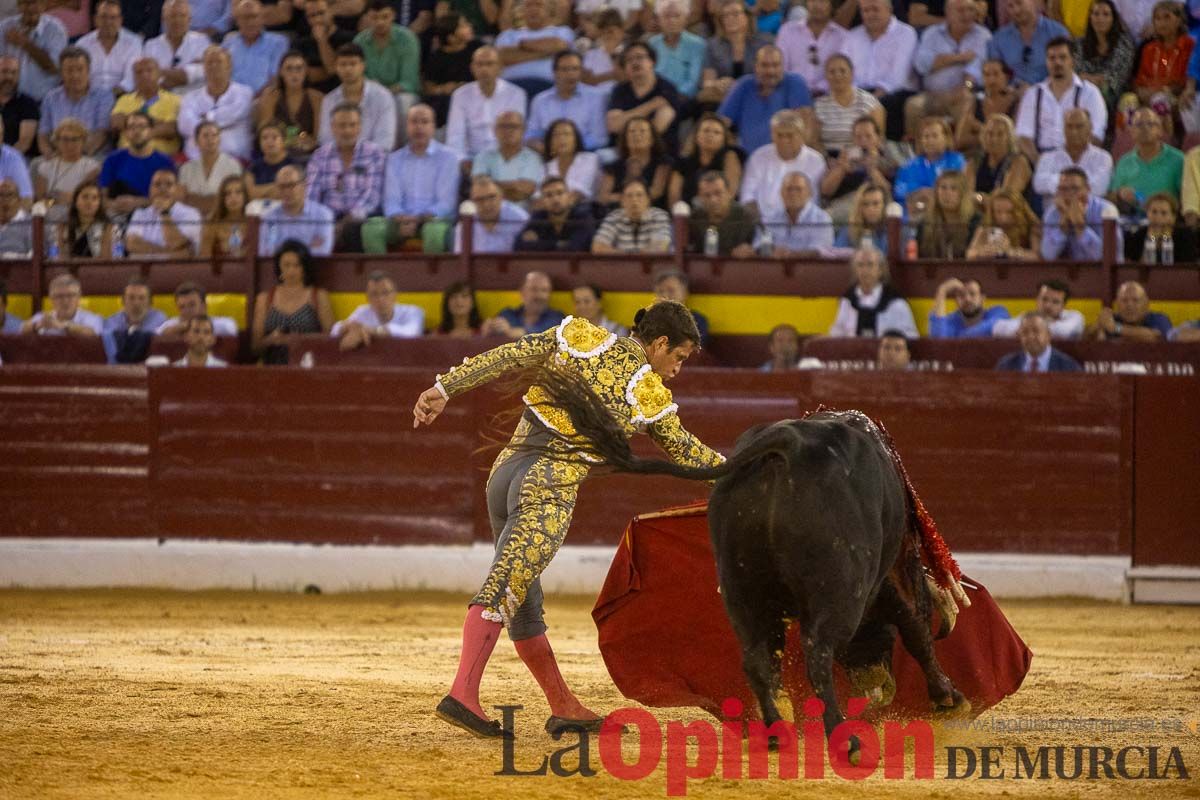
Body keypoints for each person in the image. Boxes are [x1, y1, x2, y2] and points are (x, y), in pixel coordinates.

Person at [415, 300, 723, 739]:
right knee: (504, 588)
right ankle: (462, 693)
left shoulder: (581, 336)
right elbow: (689, 453)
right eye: (677, 357)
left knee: (522, 600)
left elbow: (506, 356)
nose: (676, 369)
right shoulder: (645, 389)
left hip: (504, 476)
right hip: (546, 488)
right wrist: (742, 474)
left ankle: (563, 706)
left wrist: (444, 388)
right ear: (659, 344)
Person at [366, 104, 460, 254]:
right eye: (414, 122)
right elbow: (391, 200)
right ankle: (380, 276)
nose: (419, 127)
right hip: (400, 220)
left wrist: (417, 220)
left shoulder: (448, 157)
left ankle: (432, 277)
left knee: (434, 232)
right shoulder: (394, 159)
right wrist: (401, 218)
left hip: (434, 220)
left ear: (433, 127)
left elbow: (446, 204)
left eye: (424, 122)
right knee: (372, 228)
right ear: (406, 126)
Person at [306, 102, 386, 252]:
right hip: (328, 218)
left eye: (352, 125)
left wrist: (346, 222)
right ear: (332, 127)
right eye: (342, 125)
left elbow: (372, 197)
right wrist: (324, 222)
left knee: (353, 230)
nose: (347, 131)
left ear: (360, 127)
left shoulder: (374, 153)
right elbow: (311, 197)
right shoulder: (319, 156)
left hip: (363, 218)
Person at [907, 0, 992, 139]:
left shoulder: (983, 35)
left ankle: (957, 152)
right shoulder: (932, 33)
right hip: (931, 94)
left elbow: (977, 68)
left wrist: (965, 86)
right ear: (948, 13)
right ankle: (918, 153)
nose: (966, 15)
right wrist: (959, 58)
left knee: (966, 103)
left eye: (970, 10)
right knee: (913, 106)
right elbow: (922, 64)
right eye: (961, 10)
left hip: (963, 94)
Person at [1015, 37, 1108, 164]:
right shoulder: (1033, 94)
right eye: (1052, 58)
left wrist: (1072, 161)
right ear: (1046, 62)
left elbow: (1096, 136)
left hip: (1078, 159)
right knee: (1019, 164)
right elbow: (1023, 137)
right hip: (1039, 158)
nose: (1057, 62)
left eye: (1062, 57)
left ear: (1072, 61)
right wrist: (1041, 164)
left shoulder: (1090, 93)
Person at [716, 45, 814, 155]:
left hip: (785, 157)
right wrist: (731, 149)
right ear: (756, 66)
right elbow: (721, 123)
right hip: (747, 159)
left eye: (775, 65)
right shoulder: (744, 85)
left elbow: (806, 124)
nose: (770, 71)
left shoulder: (795, 82)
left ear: (783, 66)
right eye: (765, 65)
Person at [844, 0, 919, 141]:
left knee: (880, 107)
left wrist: (870, 100)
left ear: (889, 9)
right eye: (866, 11)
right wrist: (853, 97)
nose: (870, 14)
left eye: (875, 9)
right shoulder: (852, 36)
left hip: (895, 94)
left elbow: (897, 77)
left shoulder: (905, 33)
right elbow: (845, 71)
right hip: (859, 93)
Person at [252, 239, 334, 363]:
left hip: (308, 365)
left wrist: (301, 340)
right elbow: (255, 347)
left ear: (305, 268)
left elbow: (331, 338)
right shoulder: (265, 298)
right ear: (278, 266)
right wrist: (271, 340)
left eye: (297, 265)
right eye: (286, 265)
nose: (291, 271)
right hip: (272, 366)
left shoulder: (318, 296)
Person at [445, 46, 526, 163]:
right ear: (472, 68)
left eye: (489, 64)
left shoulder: (516, 94)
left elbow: (516, 134)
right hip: (471, 158)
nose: (484, 69)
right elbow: (455, 137)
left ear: (500, 67)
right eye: (479, 64)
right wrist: (462, 161)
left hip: (505, 158)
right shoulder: (460, 95)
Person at [739, 110, 825, 219]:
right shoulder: (759, 157)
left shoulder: (816, 161)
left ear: (801, 135)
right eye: (779, 135)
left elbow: (815, 199)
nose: (784, 140)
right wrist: (760, 223)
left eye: (790, 135)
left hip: (803, 223)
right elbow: (747, 196)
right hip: (762, 222)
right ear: (772, 135)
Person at [177, 47, 254, 162]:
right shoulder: (190, 97)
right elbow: (184, 125)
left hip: (234, 159)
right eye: (209, 63)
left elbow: (233, 114)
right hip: (195, 159)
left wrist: (206, 117)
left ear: (229, 66)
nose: (214, 66)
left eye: (219, 62)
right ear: (203, 67)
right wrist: (219, 126)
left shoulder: (245, 93)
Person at [316, 44, 397, 152]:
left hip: (374, 159)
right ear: (336, 67)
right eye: (343, 64)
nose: (348, 69)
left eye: (353, 64)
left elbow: (385, 140)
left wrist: (361, 157)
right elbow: (325, 138)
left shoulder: (382, 96)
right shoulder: (329, 100)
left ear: (363, 65)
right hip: (338, 160)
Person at [818, 116, 898, 224]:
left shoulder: (888, 162)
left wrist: (872, 169)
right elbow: (825, 191)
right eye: (858, 137)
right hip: (844, 204)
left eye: (868, 136)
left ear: (878, 138)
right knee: (823, 218)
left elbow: (888, 193)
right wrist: (841, 169)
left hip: (875, 204)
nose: (863, 141)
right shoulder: (844, 159)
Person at [355, 0, 421, 129]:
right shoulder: (359, 41)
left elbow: (409, 82)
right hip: (369, 92)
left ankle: (401, 148)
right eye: (374, 17)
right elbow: (359, 77)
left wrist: (383, 93)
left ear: (393, 16)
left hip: (399, 93)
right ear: (367, 18)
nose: (380, 22)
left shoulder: (407, 39)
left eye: (385, 17)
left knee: (403, 102)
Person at [38, 47, 114, 157]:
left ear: (88, 71)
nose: (75, 75)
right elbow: (43, 134)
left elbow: (102, 133)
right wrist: (49, 154)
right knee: (36, 165)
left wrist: (76, 157)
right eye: (69, 70)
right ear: (61, 73)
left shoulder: (103, 96)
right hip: (58, 156)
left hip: (92, 156)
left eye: (80, 69)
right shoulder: (51, 98)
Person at [828, 245, 918, 338]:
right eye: (860, 265)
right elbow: (836, 336)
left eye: (870, 265)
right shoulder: (847, 302)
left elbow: (911, 337)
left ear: (880, 270)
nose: (865, 270)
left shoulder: (896, 303)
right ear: (854, 270)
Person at [1107, 106, 1184, 215]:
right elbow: (1111, 197)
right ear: (1132, 132)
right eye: (1139, 125)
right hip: (1133, 224)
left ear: (1160, 130)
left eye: (1151, 124)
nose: (1145, 128)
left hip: (1166, 225)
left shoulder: (1178, 159)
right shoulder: (1124, 161)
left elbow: (1186, 198)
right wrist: (1120, 194)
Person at [526, 51, 607, 154]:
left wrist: (568, 147)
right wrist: (540, 145)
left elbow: (599, 138)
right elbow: (531, 135)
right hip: (548, 154)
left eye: (575, 69)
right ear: (554, 73)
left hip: (583, 153)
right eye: (565, 69)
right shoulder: (540, 100)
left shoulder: (596, 97)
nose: (571, 74)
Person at [1031, 108, 1113, 209]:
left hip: (1090, 220)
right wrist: (1080, 185)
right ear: (1064, 129)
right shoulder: (1047, 157)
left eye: (1079, 126)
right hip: (1054, 219)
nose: (1074, 132)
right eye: (1069, 126)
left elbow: (1100, 188)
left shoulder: (1103, 158)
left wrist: (1060, 185)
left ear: (1090, 129)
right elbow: (1038, 184)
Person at [99, 113, 176, 217]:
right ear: (125, 133)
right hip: (117, 216)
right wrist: (115, 205)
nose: (137, 131)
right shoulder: (112, 159)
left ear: (150, 131)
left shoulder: (165, 162)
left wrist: (138, 203)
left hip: (154, 216)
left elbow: (171, 199)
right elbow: (102, 196)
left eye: (142, 127)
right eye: (132, 127)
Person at [606, 42, 682, 148]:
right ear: (625, 68)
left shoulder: (667, 89)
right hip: (622, 150)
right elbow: (614, 126)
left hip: (660, 150)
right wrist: (652, 105)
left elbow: (656, 130)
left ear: (652, 62)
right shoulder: (620, 90)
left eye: (640, 57)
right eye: (629, 60)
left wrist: (625, 118)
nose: (635, 63)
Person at [128, 0, 211, 97]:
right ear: (163, 19)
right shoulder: (151, 45)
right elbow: (146, 80)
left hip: (193, 102)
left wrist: (159, 72)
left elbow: (201, 73)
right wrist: (184, 74)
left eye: (182, 16)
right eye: (173, 16)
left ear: (189, 19)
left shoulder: (202, 41)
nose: (177, 20)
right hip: (159, 103)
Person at [698, 0, 773, 106]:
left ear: (747, 16)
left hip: (756, 96)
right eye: (725, 16)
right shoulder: (713, 46)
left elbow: (770, 76)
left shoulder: (764, 42)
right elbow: (707, 82)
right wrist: (718, 84)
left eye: (735, 14)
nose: (730, 19)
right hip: (723, 99)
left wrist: (739, 85)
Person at [252, 51, 323, 160]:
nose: (294, 74)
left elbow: (318, 136)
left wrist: (307, 142)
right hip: (277, 151)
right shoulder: (271, 96)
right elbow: (264, 130)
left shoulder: (316, 98)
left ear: (306, 72)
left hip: (308, 153)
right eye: (289, 69)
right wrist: (288, 142)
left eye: (299, 68)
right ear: (281, 72)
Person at [1041, 166, 1123, 260]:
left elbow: (1109, 257)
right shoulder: (1053, 213)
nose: (1069, 194)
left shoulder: (1107, 210)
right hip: (1069, 273)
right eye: (1063, 189)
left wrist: (1080, 227)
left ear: (1088, 189)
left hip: (1102, 273)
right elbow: (1048, 255)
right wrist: (1062, 228)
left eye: (1074, 188)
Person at [332, 269, 424, 352]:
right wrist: (347, 327)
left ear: (395, 295)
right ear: (367, 298)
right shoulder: (362, 311)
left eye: (386, 293)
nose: (380, 299)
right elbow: (334, 330)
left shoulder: (413, 311)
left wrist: (373, 331)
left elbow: (412, 332)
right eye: (374, 294)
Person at [811, 55, 885, 156]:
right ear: (826, 76)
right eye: (832, 72)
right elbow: (815, 141)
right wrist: (828, 161)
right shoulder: (818, 106)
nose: (837, 75)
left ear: (852, 73)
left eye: (842, 71)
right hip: (829, 158)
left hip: (862, 157)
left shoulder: (869, 102)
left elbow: (878, 139)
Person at [667, 112, 743, 210]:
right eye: (706, 131)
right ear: (697, 135)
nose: (710, 135)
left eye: (717, 132)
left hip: (721, 213)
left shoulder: (730, 156)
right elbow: (673, 195)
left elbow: (731, 191)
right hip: (688, 215)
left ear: (723, 139)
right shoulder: (683, 162)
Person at [987, 0, 1071, 88]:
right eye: (1010, 6)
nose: (1016, 10)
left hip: (1051, 93)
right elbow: (995, 75)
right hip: (1012, 95)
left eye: (1019, 3)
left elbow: (1065, 71)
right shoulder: (998, 39)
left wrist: (1036, 91)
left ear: (1034, 2)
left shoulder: (1057, 32)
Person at [258, 164, 335, 256]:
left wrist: (283, 253)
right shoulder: (270, 218)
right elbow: (267, 252)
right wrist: (307, 248)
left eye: (291, 185)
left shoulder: (323, 215)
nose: (286, 191)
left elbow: (321, 252)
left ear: (304, 185)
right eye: (282, 186)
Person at [0, 0, 68, 103]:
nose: (31, 8)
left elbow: (54, 68)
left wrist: (25, 44)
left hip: (42, 101)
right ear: (19, 5)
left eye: (35, 2)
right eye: (26, 3)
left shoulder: (56, 30)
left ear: (44, 5)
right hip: (8, 101)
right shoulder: (5, 27)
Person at [111, 59, 182, 156]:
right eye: (139, 72)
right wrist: (156, 123)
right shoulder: (124, 99)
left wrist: (132, 125)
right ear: (134, 77)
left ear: (159, 75)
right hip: (127, 156)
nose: (144, 75)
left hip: (161, 156)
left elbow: (170, 129)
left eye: (149, 71)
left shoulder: (174, 100)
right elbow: (117, 123)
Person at [894, 116, 966, 213]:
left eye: (935, 136)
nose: (930, 141)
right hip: (915, 211)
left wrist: (934, 193)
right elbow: (898, 190)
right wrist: (919, 192)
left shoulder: (957, 160)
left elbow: (961, 187)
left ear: (946, 138)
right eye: (926, 137)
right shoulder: (909, 165)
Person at [125, 168, 203, 257]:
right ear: (150, 189)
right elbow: (132, 244)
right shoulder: (140, 213)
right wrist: (169, 253)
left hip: (177, 269)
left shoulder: (191, 213)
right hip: (145, 268)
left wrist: (164, 213)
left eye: (169, 184)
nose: (163, 188)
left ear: (177, 189)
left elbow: (176, 243)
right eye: (157, 184)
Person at [776, 0, 847, 96]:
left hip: (829, 97)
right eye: (812, 0)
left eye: (822, 1)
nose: (816, 5)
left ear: (832, 5)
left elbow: (842, 72)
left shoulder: (842, 37)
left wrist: (819, 90)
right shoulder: (787, 31)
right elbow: (780, 68)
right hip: (792, 96)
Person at [597, 117, 672, 208]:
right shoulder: (613, 166)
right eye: (632, 131)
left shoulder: (663, 163)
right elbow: (603, 197)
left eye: (642, 131)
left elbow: (656, 192)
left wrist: (623, 197)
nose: (636, 135)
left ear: (652, 139)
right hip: (617, 214)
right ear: (625, 139)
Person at [1074, 0, 1136, 108]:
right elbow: (1076, 72)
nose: (1100, 19)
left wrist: (1090, 79)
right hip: (1084, 90)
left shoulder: (1124, 42)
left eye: (1106, 14)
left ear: (1113, 18)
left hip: (1114, 93)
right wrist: (1093, 80)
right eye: (1096, 14)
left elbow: (1118, 75)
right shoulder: (1079, 44)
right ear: (1090, 17)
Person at [472, 111, 543, 205]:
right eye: (503, 126)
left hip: (521, 217)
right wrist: (514, 186)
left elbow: (522, 192)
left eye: (513, 126)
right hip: (488, 215)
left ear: (524, 130)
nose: (508, 131)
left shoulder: (533, 158)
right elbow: (481, 190)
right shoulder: (482, 157)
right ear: (495, 130)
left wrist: (492, 186)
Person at [757, 170, 834, 256]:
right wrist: (771, 252)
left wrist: (792, 254)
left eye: (798, 189)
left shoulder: (821, 219)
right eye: (789, 189)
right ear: (781, 193)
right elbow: (762, 247)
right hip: (774, 267)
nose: (793, 193)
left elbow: (820, 251)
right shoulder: (769, 219)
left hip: (808, 268)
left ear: (810, 193)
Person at [221, 0, 289, 94]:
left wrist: (254, 99)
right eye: (245, 17)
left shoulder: (278, 42)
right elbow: (220, 73)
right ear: (237, 21)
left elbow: (276, 79)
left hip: (262, 100)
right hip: (230, 99)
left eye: (254, 16)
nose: (250, 22)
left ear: (262, 18)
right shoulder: (229, 40)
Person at [1131, 1, 1193, 105]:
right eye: (1157, 18)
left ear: (1179, 20)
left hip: (1177, 98)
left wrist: (1161, 90)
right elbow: (1140, 80)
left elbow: (1186, 81)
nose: (1162, 23)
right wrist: (1142, 92)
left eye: (1167, 17)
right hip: (1149, 95)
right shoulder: (1149, 49)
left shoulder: (1189, 46)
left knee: (1160, 100)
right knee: (1128, 100)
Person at [77, 0, 144, 95]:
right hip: (89, 97)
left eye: (113, 18)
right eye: (103, 17)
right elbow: (80, 77)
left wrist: (108, 96)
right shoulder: (82, 44)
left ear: (120, 20)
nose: (108, 22)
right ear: (95, 19)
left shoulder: (133, 43)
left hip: (122, 97)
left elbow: (130, 80)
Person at [953, 58, 1020, 154]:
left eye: (996, 74)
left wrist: (979, 128)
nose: (991, 79)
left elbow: (1013, 137)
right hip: (978, 155)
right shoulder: (974, 102)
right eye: (986, 75)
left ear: (1006, 76)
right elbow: (960, 140)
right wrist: (996, 136)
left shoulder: (1016, 102)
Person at [966, 114, 1035, 206]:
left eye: (1000, 134)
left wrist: (979, 198)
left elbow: (1006, 198)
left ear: (1009, 137)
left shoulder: (1019, 162)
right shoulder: (975, 162)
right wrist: (982, 199)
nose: (994, 139)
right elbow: (966, 195)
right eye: (990, 133)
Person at [32, 120, 99, 213]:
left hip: (77, 213)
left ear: (83, 141)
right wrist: (64, 197)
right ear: (57, 141)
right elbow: (40, 198)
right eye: (64, 139)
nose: (70, 144)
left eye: (74, 139)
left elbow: (84, 197)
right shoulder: (45, 167)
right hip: (48, 214)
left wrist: (57, 197)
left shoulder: (92, 167)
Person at [515, 176, 595, 252]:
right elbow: (519, 246)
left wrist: (540, 244)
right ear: (542, 201)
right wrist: (558, 244)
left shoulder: (583, 217)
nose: (555, 199)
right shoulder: (538, 217)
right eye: (549, 195)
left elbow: (575, 248)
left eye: (560, 193)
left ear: (569, 197)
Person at [179, 122, 244, 216]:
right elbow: (183, 200)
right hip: (193, 220)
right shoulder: (186, 168)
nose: (210, 139)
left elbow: (233, 199)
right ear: (196, 141)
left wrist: (194, 199)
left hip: (223, 219)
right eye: (205, 136)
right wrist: (215, 199)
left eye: (214, 135)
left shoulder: (233, 165)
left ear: (219, 140)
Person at [592, 178, 673, 254]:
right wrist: (629, 257)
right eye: (629, 196)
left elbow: (660, 247)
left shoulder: (659, 216)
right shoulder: (614, 217)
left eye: (639, 195)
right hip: (621, 266)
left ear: (648, 200)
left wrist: (628, 256)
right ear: (622, 202)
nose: (634, 200)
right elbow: (598, 247)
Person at [687, 170, 756, 257]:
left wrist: (749, 250)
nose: (713, 200)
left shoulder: (745, 218)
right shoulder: (694, 220)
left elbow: (758, 247)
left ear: (729, 193)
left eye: (718, 193)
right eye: (707, 195)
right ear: (700, 198)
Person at [454, 174, 529, 254]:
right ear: (473, 202)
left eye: (491, 197)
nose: (487, 204)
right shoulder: (465, 225)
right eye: (479, 199)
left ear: (501, 196)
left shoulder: (520, 219)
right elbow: (460, 261)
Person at [916, 170, 981, 258]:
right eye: (943, 188)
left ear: (962, 194)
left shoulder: (975, 221)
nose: (947, 193)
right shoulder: (925, 222)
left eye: (953, 188)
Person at [480, 269, 563, 338]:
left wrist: (511, 332)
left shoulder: (557, 318)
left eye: (544, 290)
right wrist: (488, 329)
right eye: (534, 289)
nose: (539, 295)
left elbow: (543, 337)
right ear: (522, 292)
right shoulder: (507, 314)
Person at [992, 278, 1085, 338]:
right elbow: (998, 328)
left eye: (1055, 302)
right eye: (1044, 299)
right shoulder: (1028, 316)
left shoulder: (1074, 316)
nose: (1048, 305)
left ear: (1063, 306)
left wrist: (1026, 330)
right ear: (1037, 300)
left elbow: (1063, 332)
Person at [966, 187, 1042, 258]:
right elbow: (969, 254)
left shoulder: (1032, 226)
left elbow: (1038, 256)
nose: (1003, 218)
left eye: (1010, 212)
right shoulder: (986, 226)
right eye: (998, 212)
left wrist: (1010, 252)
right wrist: (982, 252)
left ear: (1019, 211)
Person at [1124, 191, 1199, 262]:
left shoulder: (1185, 236)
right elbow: (1135, 267)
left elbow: (1188, 266)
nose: (1158, 217)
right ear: (1147, 213)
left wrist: (1166, 239)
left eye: (1164, 213)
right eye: (1154, 212)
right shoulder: (1138, 236)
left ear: (1173, 217)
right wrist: (1151, 240)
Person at [540, 119, 600, 205]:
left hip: (584, 210)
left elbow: (579, 193)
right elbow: (538, 199)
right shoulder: (546, 167)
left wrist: (552, 201)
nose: (561, 139)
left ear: (576, 140)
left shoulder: (590, 159)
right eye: (556, 135)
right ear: (550, 142)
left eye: (566, 134)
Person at [1087, 279, 1172, 340]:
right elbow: (1084, 337)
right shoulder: (1112, 319)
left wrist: (1116, 328)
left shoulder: (1159, 319)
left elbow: (1156, 337)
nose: (1130, 305)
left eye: (1136, 300)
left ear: (1146, 304)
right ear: (1117, 304)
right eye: (1124, 300)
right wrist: (1098, 325)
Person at [995, 313, 1082, 371]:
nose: (1030, 337)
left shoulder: (1069, 367)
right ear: (1019, 336)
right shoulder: (1006, 365)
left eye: (1036, 331)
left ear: (1049, 335)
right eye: (1025, 332)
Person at [21, 273, 103, 335]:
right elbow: (22, 329)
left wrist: (63, 326)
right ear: (51, 299)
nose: (65, 301)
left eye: (71, 295)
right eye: (59, 296)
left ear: (79, 297)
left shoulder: (92, 318)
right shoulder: (45, 317)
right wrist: (37, 325)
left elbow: (92, 333)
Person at [928, 277, 1011, 337]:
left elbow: (992, 326)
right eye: (961, 295)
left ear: (982, 299)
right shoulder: (952, 320)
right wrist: (942, 291)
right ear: (956, 301)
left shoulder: (998, 312)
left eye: (972, 294)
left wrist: (958, 337)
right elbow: (938, 341)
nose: (967, 299)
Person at [157, 280, 238, 336]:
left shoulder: (222, 323)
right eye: (182, 307)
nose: (186, 310)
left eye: (192, 305)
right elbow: (156, 335)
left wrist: (189, 326)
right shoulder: (172, 323)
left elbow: (230, 328)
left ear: (204, 306)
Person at [652, 269, 709, 345]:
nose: (665, 295)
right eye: (660, 291)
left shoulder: (697, 321)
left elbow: (694, 349)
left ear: (684, 293)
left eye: (671, 290)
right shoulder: (646, 320)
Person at [58, 181, 114, 257]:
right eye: (85, 197)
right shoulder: (63, 225)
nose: (89, 202)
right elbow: (60, 257)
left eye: (94, 198)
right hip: (69, 268)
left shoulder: (107, 226)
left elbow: (107, 260)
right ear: (75, 201)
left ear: (99, 203)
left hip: (97, 268)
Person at [199, 174, 249, 256]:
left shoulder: (254, 222)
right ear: (222, 198)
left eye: (238, 192)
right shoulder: (211, 224)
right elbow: (204, 259)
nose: (233, 197)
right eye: (228, 193)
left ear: (245, 196)